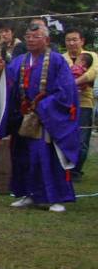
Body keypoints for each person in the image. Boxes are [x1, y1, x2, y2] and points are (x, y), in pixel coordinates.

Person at [0, 21, 79, 213]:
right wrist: (0, 72)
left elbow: (66, 91)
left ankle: (56, 197)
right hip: (26, 118)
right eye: (28, 37)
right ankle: (28, 194)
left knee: (47, 158)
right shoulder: (19, 61)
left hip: (47, 118)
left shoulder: (57, 61)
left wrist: (43, 107)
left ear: (47, 40)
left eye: (36, 37)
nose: (31, 40)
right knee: (24, 157)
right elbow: (9, 84)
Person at [61, 28, 95, 177]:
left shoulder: (92, 56)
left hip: (84, 103)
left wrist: (72, 83)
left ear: (82, 41)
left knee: (82, 138)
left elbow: (91, 74)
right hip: (65, 103)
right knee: (65, 136)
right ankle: (64, 168)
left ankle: (76, 170)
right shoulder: (61, 58)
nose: (71, 43)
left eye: (75, 39)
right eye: (68, 40)